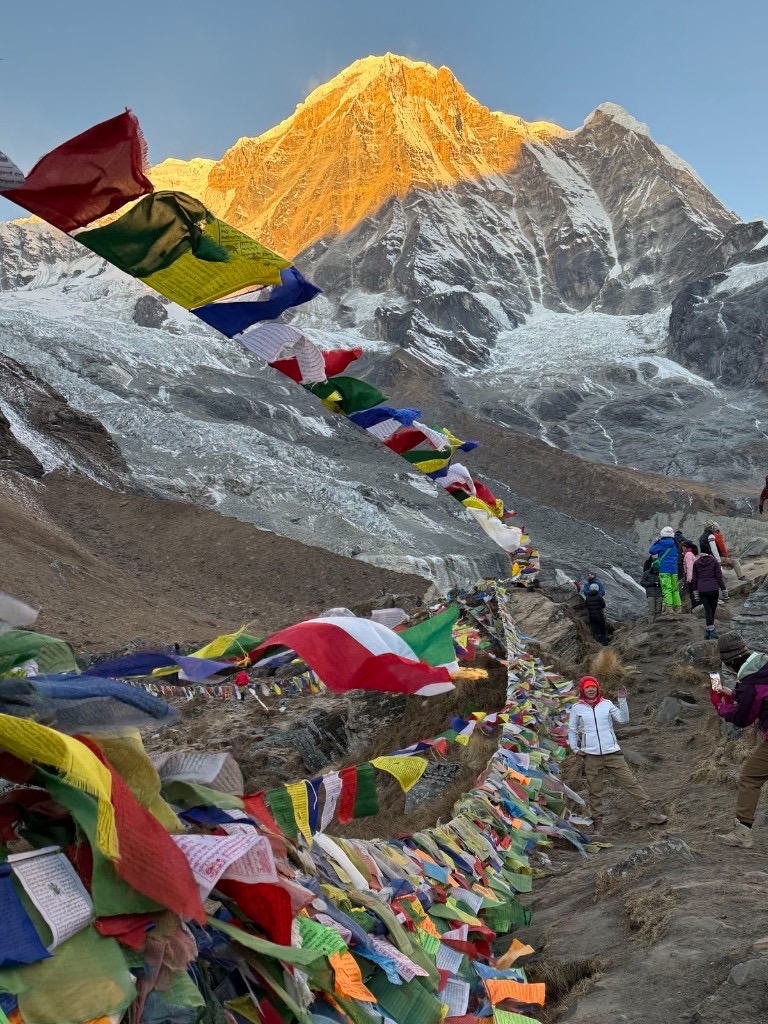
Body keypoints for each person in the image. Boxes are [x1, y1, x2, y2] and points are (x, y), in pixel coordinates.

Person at [568, 676, 667, 828]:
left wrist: (622, 700)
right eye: (587, 687)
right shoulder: (577, 708)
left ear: (597, 688)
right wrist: (575, 749)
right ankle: (598, 825)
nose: (591, 689)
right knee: (595, 791)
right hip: (591, 756)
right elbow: (573, 730)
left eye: (593, 686)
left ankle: (652, 812)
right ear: (582, 689)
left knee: (631, 783)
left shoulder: (606, 704)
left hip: (612, 753)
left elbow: (624, 719)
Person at [711, 635, 768, 848]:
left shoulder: (749, 683)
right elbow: (762, 695)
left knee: (750, 778)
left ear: (731, 661)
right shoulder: (763, 666)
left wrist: (721, 707)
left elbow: (743, 719)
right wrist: (735, 694)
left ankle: (743, 833)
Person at [691, 546, 725, 640]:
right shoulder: (714, 561)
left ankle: (709, 630)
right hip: (713, 589)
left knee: (707, 609)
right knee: (712, 609)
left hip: (702, 589)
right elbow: (719, 576)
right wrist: (723, 589)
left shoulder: (696, 563)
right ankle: (711, 631)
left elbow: (695, 579)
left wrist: (695, 591)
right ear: (709, 552)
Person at [649, 527, 682, 612]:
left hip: (664, 570)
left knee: (667, 589)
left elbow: (652, 551)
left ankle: (669, 608)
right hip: (674, 570)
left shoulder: (661, 543)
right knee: (675, 589)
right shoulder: (675, 543)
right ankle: (678, 607)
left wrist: (656, 542)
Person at [683, 542, 700, 610]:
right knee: (697, 593)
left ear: (686, 547)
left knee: (693, 594)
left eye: (683, 546)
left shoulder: (688, 554)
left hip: (692, 577)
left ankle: (695, 608)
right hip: (697, 577)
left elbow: (690, 567)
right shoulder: (694, 554)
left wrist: (689, 578)